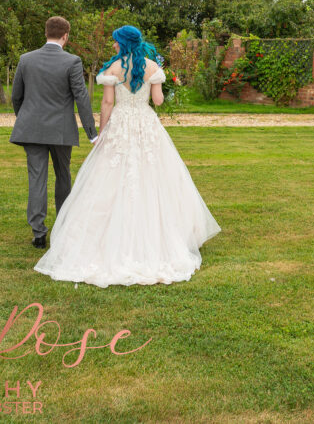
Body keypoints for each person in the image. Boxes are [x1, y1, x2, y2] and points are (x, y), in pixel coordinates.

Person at [34, 25, 221, 287]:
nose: (112, 45)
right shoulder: (152, 67)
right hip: (146, 124)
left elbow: (108, 104)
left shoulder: (112, 69)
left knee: (109, 177)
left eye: (114, 41)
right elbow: (157, 102)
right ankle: (162, 239)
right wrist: (156, 88)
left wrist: (101, 133)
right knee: (154, 174)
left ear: (122, 42)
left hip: (120, 124)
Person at [9, 16, 98, 249]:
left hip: (32, 129)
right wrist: (92, 132)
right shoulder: (72, 61)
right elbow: (82, 98)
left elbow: (16, 97)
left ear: (46, 32)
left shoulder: (26, 59)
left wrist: (26, 119)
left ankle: (39, 234)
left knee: (36, 178)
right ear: (66, 36)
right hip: (60, 130)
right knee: (63, 175)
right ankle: (63, 226)